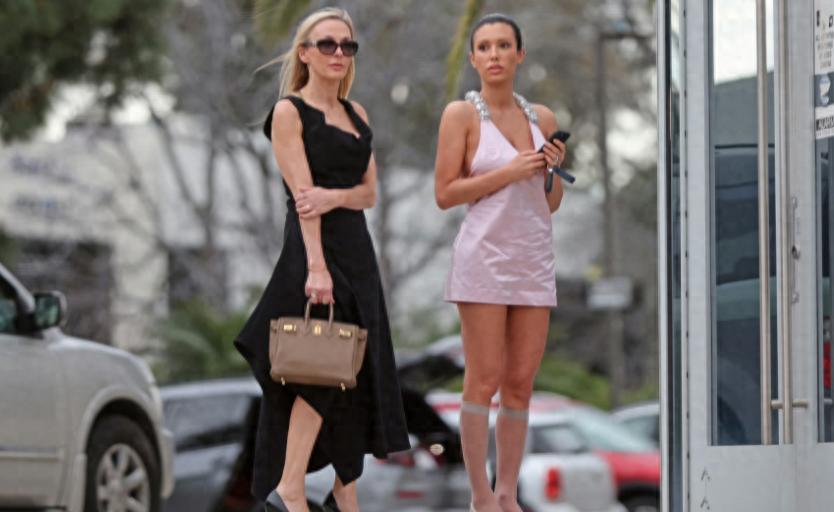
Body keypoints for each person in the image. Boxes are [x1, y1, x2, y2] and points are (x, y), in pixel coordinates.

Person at [234, 7, 410, 512]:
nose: (338, 53)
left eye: (347, 45)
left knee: (353, 371)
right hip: (313, 251)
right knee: (319, 369)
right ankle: (291, 485)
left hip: (358, 252)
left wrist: (335, 197)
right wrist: (316, 267)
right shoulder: (289, 113)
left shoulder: (358, 115)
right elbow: (303, 200)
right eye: (327, 44)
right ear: (305, 53)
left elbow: (369, 193)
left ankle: (344, 490)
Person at [433, 13, 568, 512]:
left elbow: (550, 203)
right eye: (485, 46)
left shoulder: (542, 119)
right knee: (483, 379)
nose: (494, 54)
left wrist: (550, 169)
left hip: (532, 260)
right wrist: (510, 171)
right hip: (484, 260)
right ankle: (481, 496)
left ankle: (507, 493)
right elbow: (445, 193)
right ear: (473, 58)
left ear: (519, 55)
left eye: (503, 46)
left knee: (520, 384)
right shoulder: (461, 116)